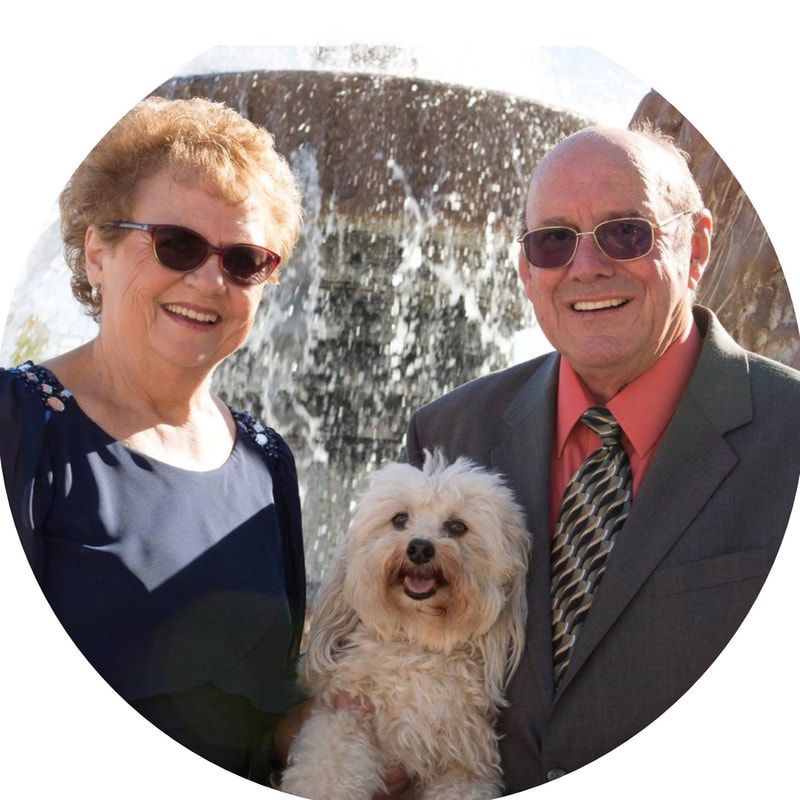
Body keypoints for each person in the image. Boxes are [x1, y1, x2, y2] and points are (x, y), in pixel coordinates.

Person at [405, 125, 800, 793]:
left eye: (625, 233)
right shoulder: (449, 432)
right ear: (526, 269)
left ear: (697, 246)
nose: (586, 266)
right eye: (553, 241)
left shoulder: (788, 436)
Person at [0, 96, 308, 783]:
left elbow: (264, 714)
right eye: (177, 244)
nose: (210, 279)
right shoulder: (19, 423)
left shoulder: (267, 463)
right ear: (98, 253)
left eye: (245, 260)